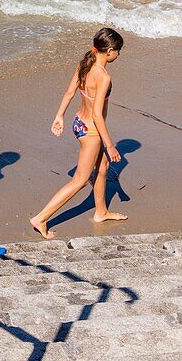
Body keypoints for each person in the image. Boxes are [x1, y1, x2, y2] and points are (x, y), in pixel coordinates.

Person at [30, 27, 126, 240]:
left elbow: (69, 92)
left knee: (102, 167)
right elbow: (98, 115)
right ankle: (41, 218)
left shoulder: (86, 61)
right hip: (92, 130)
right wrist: (110, 145)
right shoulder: (103, 76)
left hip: (78, 122)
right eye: (118, 51)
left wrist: (59, 116)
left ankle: (101, 211)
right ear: (109, 51)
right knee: (81, 180)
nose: (118, 55)